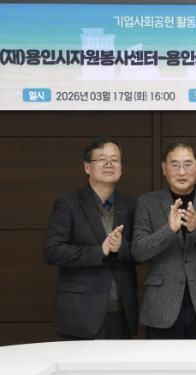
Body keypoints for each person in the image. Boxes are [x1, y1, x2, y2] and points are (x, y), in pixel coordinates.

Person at [44, 136, 138, 339]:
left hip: (122, 310)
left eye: (115, 159)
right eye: (102, 159)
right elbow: (52, 250)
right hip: (81, 312)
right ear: (87, 167)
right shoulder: (68, 203)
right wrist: (100, 251)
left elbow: (139, 252)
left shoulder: (131, 204)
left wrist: (121, 247)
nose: (109, 164)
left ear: (121, 167)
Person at [132, 142, 196, 339]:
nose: (181, 172)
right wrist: (168, 231)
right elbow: (138, 252)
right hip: (161, 305)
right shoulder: (147, 202)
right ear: (164, 168)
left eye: (187, 164)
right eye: (175, 165)